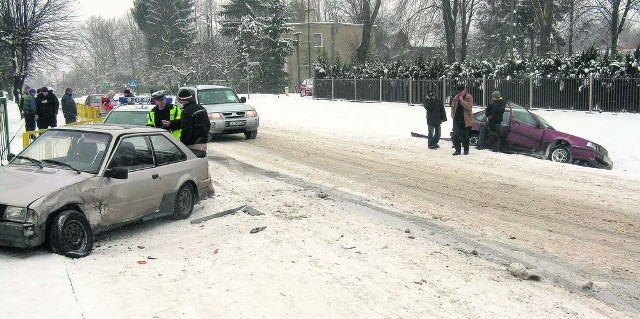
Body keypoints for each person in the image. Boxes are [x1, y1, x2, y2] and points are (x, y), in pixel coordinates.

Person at [176, 88, 210, 156]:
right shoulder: (201, 108)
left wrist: (182, 144)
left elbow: (186, 130)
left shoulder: (186, 111)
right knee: (201, 161)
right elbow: (208, 124)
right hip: (203, 140)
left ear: (182, 100)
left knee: (193, 163)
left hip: (193, 143)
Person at [450, 84, 474, 155]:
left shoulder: (469, 97)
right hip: (457, 119)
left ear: (465, 90)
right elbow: (452, 107)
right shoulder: (455, 98)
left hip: (465, 120)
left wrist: (462, 101)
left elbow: (469, 107)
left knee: (465, 136)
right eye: (459, 91)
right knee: (456, 135)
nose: (460, 93)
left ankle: (466, 150)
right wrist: (453, 116)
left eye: (462, 91)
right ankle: (458, 150)